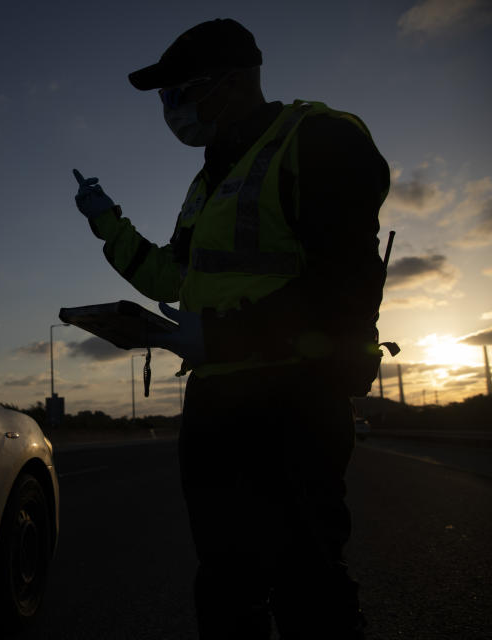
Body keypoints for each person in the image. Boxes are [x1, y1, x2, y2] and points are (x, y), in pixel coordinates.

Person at [72, 18, 389, 640]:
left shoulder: (320, 137)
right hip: (216, 403)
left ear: (235, 81)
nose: (170, 111)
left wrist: (224, 336)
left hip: (293, 400)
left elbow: (345, 289)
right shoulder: (209, 178)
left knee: (308, 580)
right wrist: (107, 221)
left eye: (177, 93)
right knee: (224, 583)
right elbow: (172, 278)